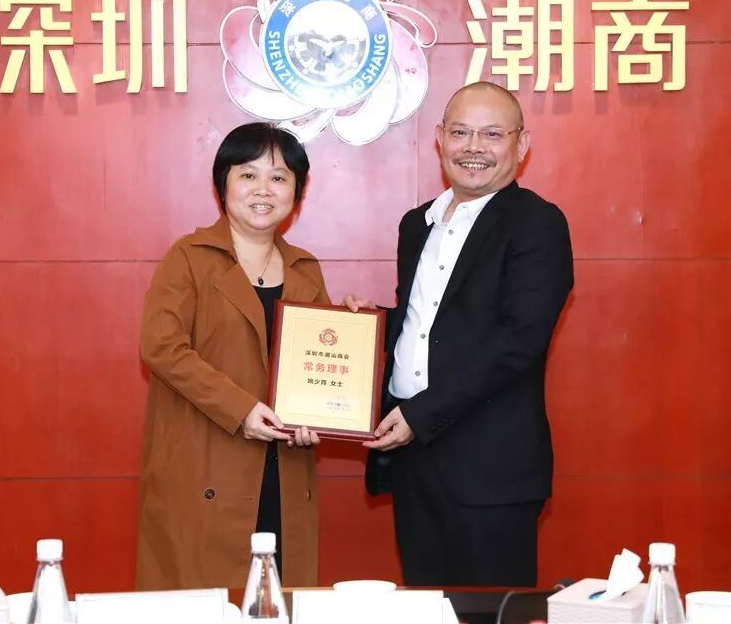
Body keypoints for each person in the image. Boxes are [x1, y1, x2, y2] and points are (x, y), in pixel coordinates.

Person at [347, 81, 574, 587]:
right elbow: (431, 323)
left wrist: (419, 414)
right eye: (461, 132)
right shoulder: (417, 224)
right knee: (427, 608)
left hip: (490, 469)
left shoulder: (536, 223)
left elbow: (518, 342)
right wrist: (371, 325)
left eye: (492, 134)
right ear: (439, 138)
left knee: (490, 613)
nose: (474, 147)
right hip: (414, 461)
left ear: (522, 144)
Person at [136, 122, 327, 591]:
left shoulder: (305, 269)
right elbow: (162, 346)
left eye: (279, 177)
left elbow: (319, 366)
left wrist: (319, 414)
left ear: (297, 192)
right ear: (222, 183)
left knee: (280, 600)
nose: (263, 189)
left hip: (284, 473)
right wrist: (240, 409)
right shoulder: (189, 257)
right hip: (207, 464)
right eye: (248, 174)